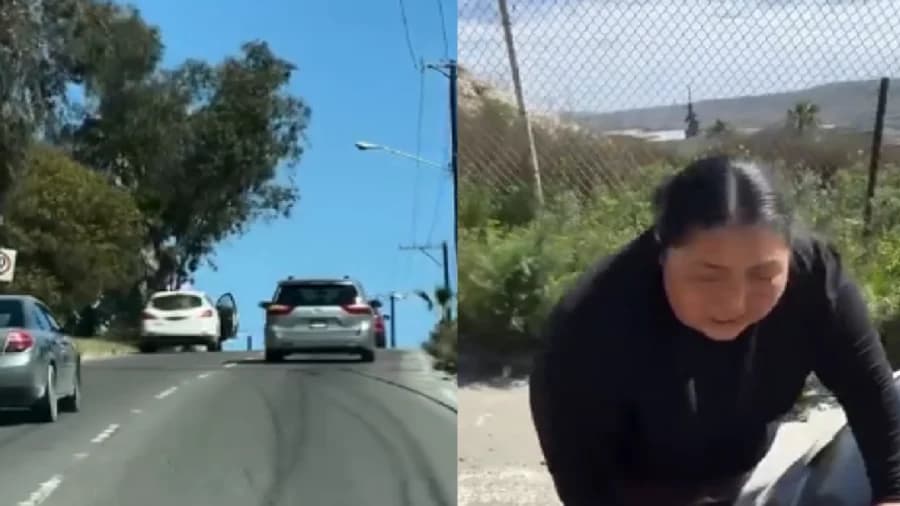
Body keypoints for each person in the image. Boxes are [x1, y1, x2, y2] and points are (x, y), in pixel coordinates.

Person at [529, 155, 900, 506]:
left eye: (764, 275)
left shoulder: (816, 279)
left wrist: (893, 494)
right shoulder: (589, 325)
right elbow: (583, 480)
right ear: (662, 252)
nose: (734, 303)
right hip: (639, 487)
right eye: (708, 276)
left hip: (743, 466)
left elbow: (871, 393)